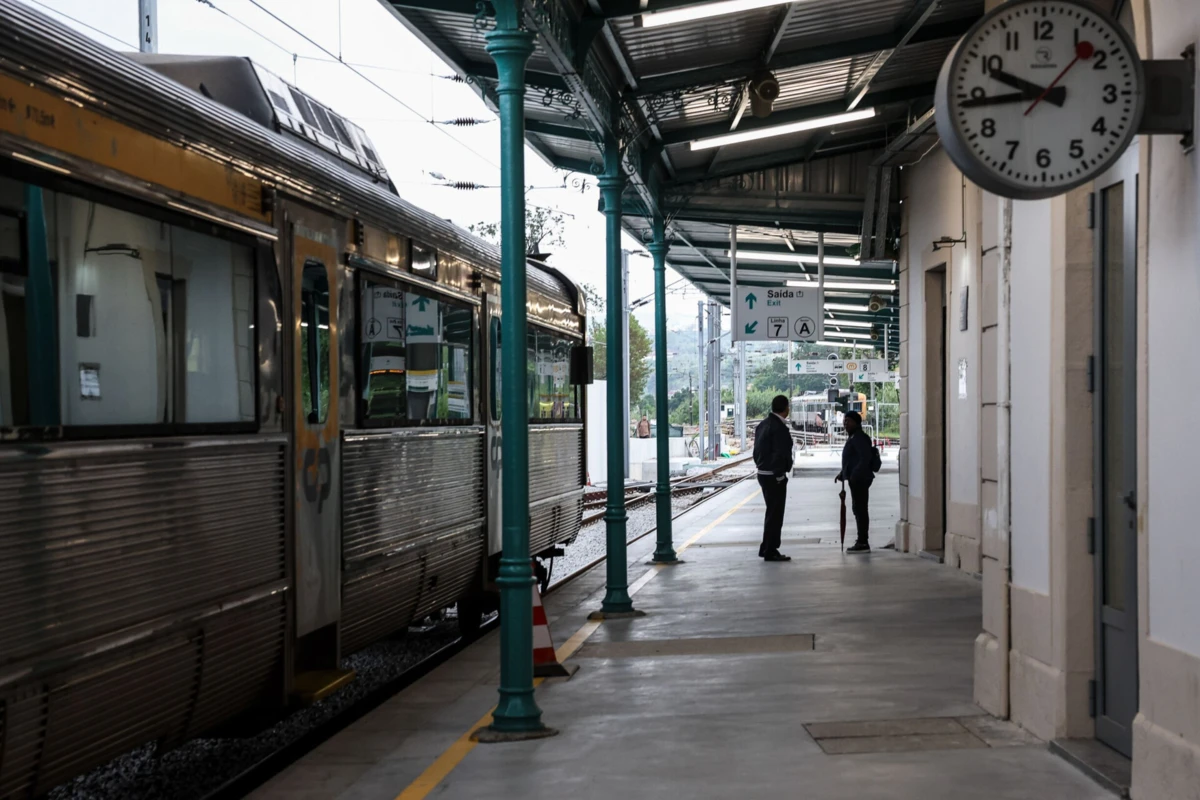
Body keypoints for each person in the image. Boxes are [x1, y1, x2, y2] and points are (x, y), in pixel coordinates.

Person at [753, 395, 794, 561]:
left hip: (763, 473)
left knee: (771, 512)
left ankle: (766, 546)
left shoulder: (762, 425)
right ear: (786, 408)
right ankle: (771, 550)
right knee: (776, 514)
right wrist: (779, 474)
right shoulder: (779, 428)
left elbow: (757, 452)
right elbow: (780, 453)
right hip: (774, 476)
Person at [836, 410, 876, 554]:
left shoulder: (859, 437)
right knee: (858, 509)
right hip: (856, 478)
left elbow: (864, 458)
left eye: (848, 421)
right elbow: (852, 459)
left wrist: (853, 474)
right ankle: (861, 540)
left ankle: (863, 541)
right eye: (844, 421)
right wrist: (843, 473)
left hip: (860, 479)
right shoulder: (854, 436)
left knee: (860, 510)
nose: (845, 424)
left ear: (856, 422)